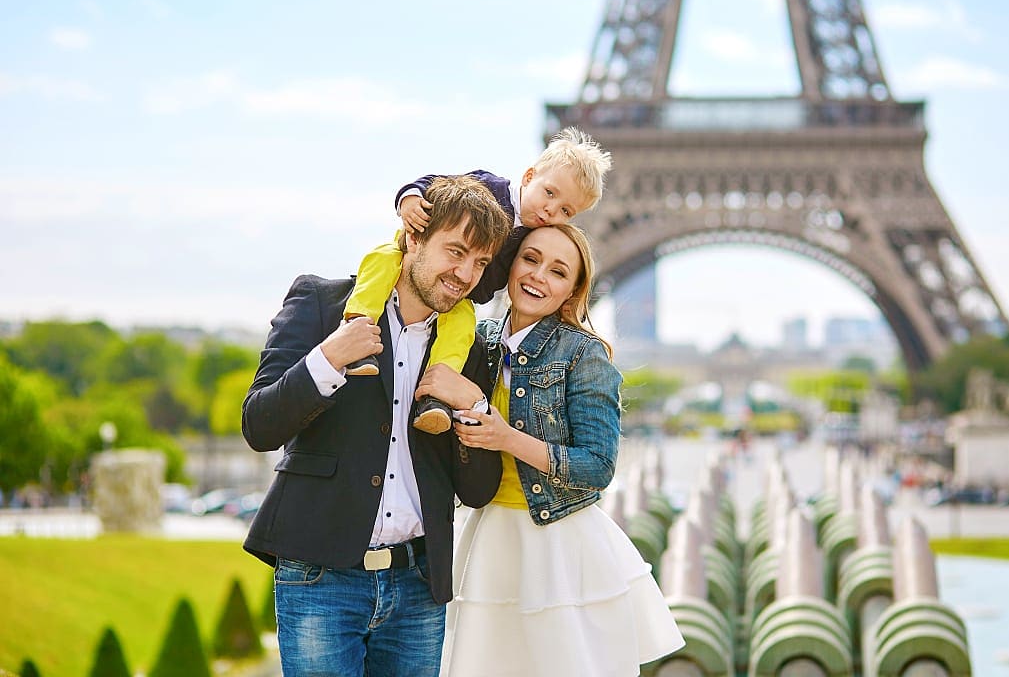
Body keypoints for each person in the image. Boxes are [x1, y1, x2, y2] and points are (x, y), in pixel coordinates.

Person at [241, 175, 512, 677]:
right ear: (413, 237)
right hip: (321, 577)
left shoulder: (470, 349)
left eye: (479, 263)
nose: (465, 274)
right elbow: (259, 425)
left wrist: (474, 406)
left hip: (417, 587)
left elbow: (476, 489)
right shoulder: (324, 305)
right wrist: (328, 359)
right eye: (455, 252)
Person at [416, 224, 685, 677]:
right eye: (531, 259)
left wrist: (506, 438)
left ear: (572, 291)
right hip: (488, 537)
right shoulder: (473, 340)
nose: (539, 275)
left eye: (558, 271)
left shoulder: (584, 354)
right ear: (511, 262)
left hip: (558, 542)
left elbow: (598, 467)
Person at [342, 126, 612, 435]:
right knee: (381, 261)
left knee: (460, 330)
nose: (552, 209)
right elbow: (439, 186)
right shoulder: (490, 188)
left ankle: (434, 395)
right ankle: (357, 327)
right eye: (549, 193)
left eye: (566, 210)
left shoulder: (535, 240)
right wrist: (410, 198)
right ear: (528, 177)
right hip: (406, 251)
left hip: (460, 296)